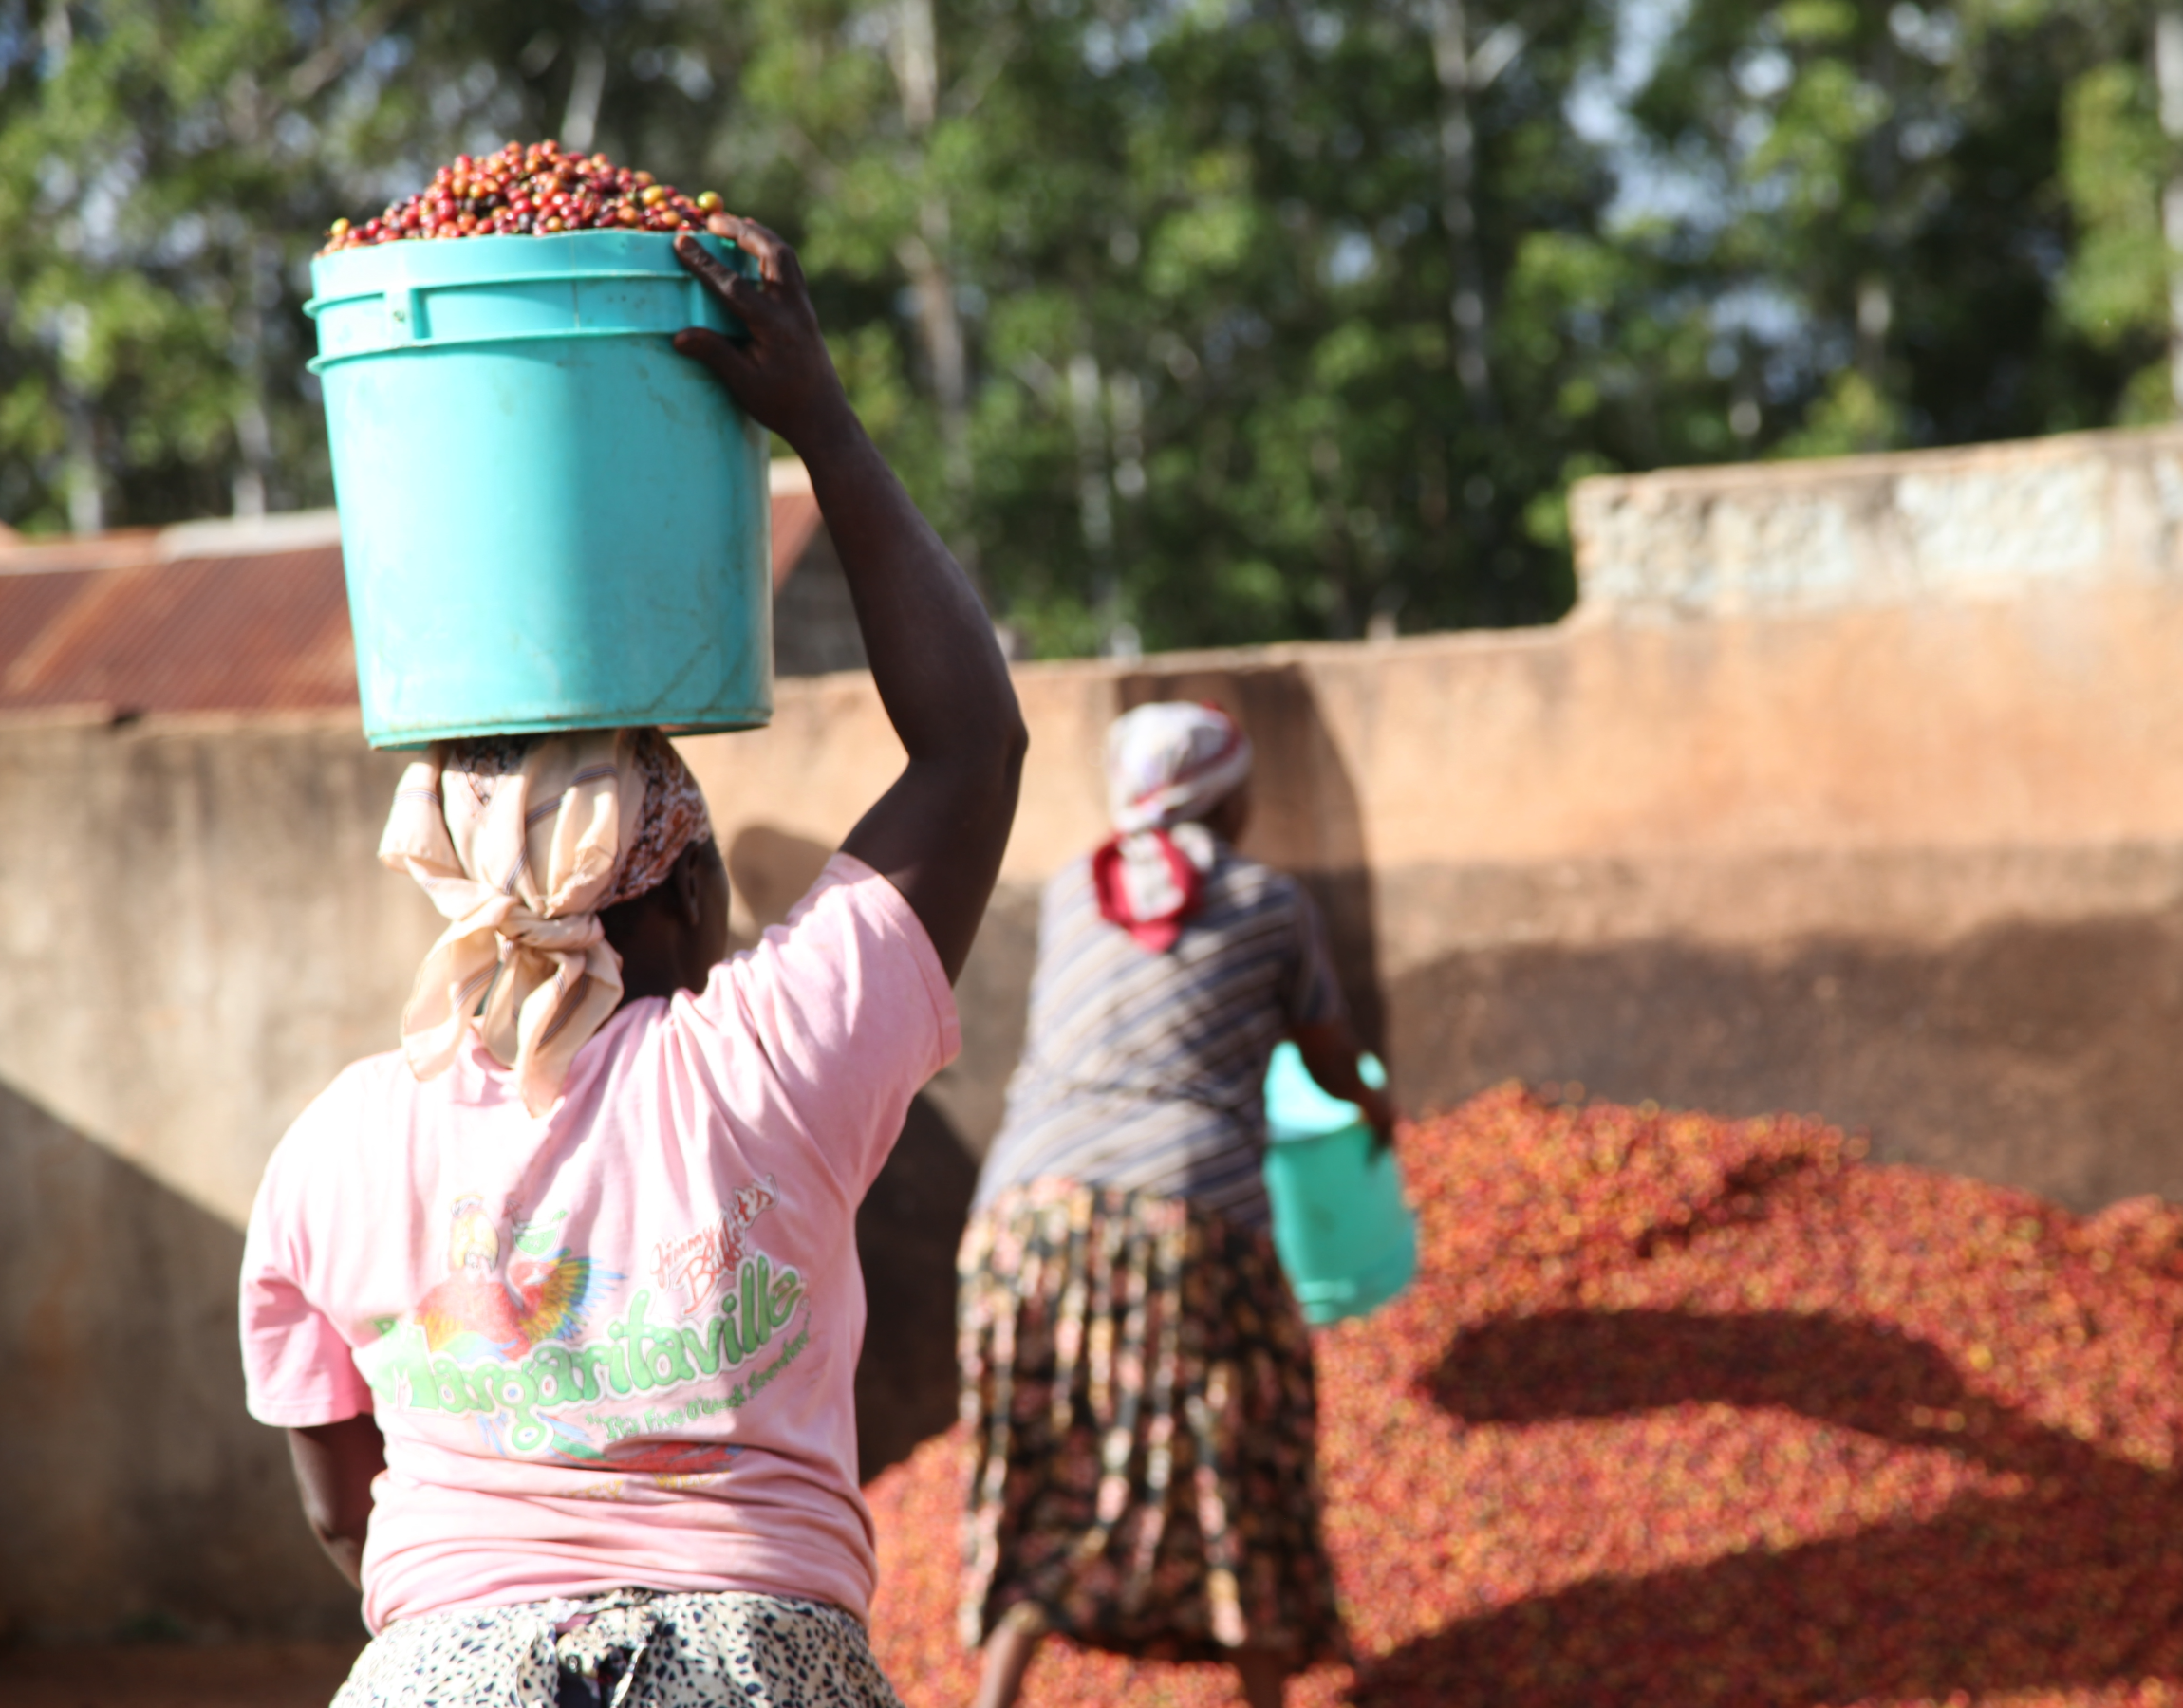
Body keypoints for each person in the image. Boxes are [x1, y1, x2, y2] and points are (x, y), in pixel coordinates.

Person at [237, 217, 1025, 1708]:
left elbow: (345, 1507)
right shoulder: (772, 1062)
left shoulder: (333, 1145)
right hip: (754, 1663)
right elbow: (973, 745)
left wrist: (487, 1623)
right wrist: (822, 426)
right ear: (680, 889)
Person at [958, 701, 1392, 1708]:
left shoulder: (1076, 886)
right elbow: (1328, 1061)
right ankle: (1263, 1691)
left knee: (1045, 1450)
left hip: (1022, 1217)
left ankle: (994, 1696)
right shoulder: (1269, 900)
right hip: (1186, 1218)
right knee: (1233, 1449)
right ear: (1228, 798)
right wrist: (1377, 1108)